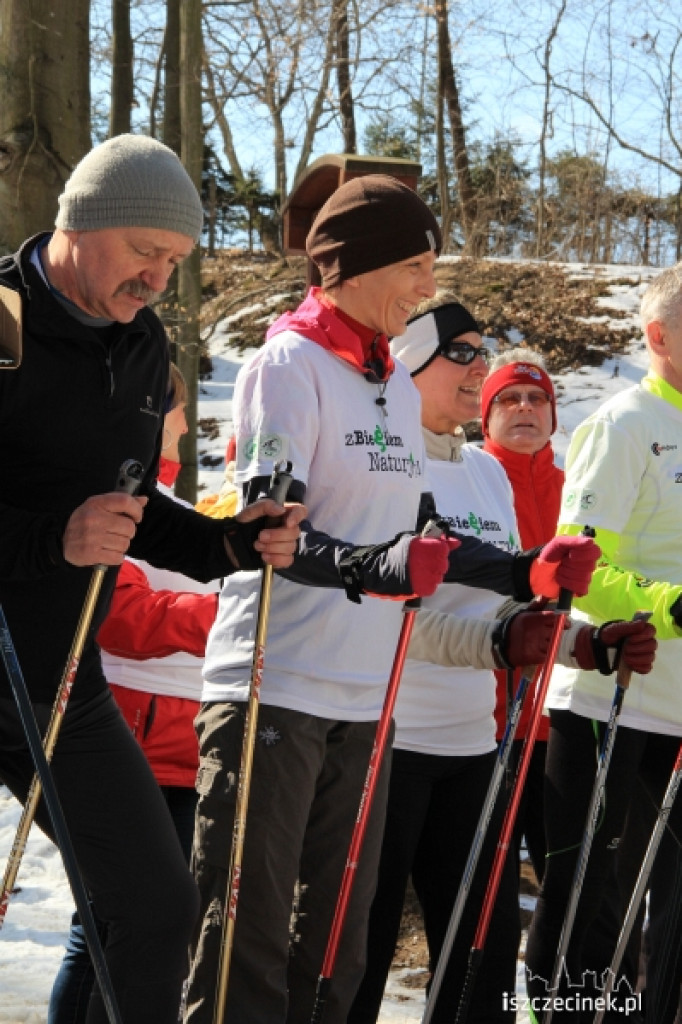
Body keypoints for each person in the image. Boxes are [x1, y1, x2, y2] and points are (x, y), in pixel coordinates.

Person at [183, 177, 601, 1024]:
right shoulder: (287, 363)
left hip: (366, 699)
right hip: (275, 686)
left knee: (334, 954)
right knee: (248, 951)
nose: (425, 287)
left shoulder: (389, 384)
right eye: (415, 265)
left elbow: (426, 534)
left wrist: (528, 572)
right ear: (358, 267)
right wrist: (381, 568)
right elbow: (270, 530)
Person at [0, 134, 304, 1024]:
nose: (157, 279)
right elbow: (77, 527)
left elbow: (135, 511)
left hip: (60, 684)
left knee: (158, 908)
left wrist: (229, 546)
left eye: (173, 262)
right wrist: (54, 536)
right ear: (79, 224)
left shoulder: (140, 348)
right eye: (145, 252)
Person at [347, 298, 655, 1024]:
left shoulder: (485, 474)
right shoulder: (388, 459)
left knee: (477, 964)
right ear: (410, 365)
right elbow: (389, 612)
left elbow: (505, 606)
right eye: (460, 354)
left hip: (475, 744)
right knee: (368, 947)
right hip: (391, 742)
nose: (477, 366)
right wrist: (495, 645)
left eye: (481, 352)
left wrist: (587, 643)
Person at [525, 261, 682, 1023]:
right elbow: (578, 567)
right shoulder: (623, 424)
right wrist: (669, 604)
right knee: (591, 902)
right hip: (612, 700)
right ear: (659, 336)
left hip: (681, 711)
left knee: (672, 911)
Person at [47, 362, 220, 1023]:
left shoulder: (177, 513)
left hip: (188, 751)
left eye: (167, 405)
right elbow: (120, 619)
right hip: (131, 751)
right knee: (108, 929)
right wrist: (222, 618)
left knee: (140, 931)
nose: (172, 418)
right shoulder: (109, 500)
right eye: (165, 406)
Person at [482, 347, 564, 882]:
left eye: (537, 398)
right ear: (485, 415)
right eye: (508, 399)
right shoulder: (471, 481)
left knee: (568, 872)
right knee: (488, 876)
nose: (525, 408)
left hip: (564, 720)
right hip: (488, 718)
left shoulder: (578, 486)